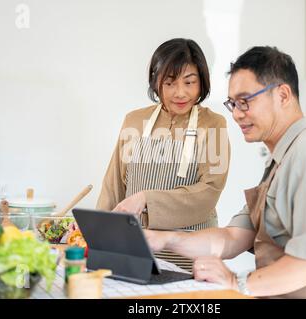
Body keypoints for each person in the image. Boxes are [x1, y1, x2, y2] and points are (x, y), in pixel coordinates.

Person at [144, 46, 306, 298]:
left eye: (245, 101)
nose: (237, 114)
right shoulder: (281, 160)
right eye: (233, 104)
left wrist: (235, 282)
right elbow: (233, 237)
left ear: (283, 95)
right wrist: (163, 239)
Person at [97, 38, 230, 271]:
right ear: (156, 82)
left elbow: (209, 192)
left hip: (192, 255)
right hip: (137, 249)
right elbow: (114, 187)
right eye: (170, 83)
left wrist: (147, 198)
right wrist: (98, 236)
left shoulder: (214, 125)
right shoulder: (134, 121)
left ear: (202, 83)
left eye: (189, 82)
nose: (180, 93)